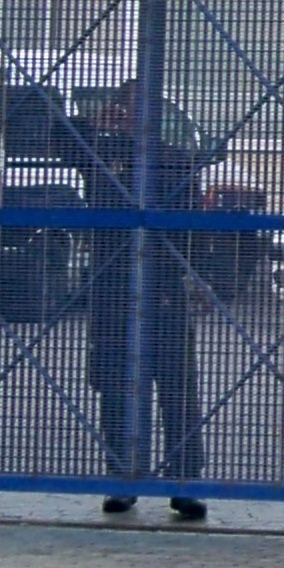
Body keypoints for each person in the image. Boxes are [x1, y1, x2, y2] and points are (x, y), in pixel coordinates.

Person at [73, 82, 206, 522]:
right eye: (127, 109)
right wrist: (94, 126)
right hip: (111, 288)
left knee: (176, 388)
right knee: (116, 385)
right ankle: (122, 476)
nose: (136, 118)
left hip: (162, 290)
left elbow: (189, 228)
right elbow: (57, 140)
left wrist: (181, 276)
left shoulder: (175, 159)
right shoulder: (99, 153)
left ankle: (185, 482)